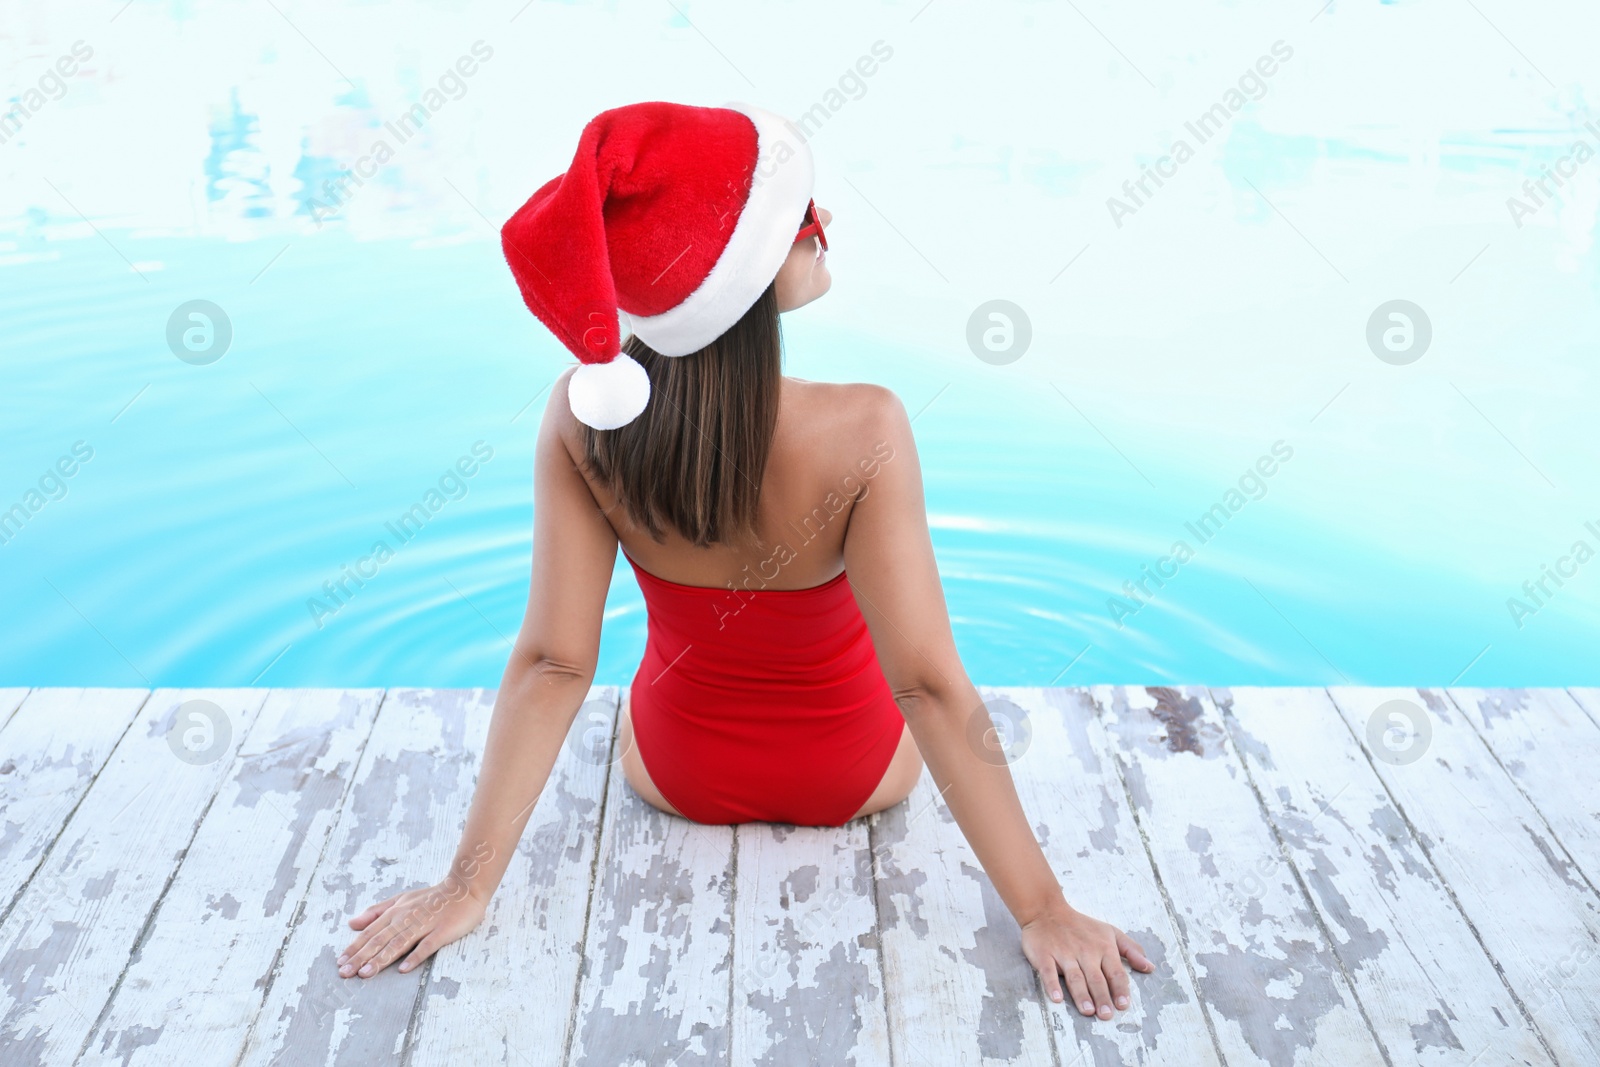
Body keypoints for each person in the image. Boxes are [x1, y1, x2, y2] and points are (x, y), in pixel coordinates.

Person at [334, 100, 1154, 1021]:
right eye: (803, 216)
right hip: (859, 777)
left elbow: (556, 662)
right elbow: (925, 685)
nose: (826, 224)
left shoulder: (585, 417)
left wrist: (465, 885)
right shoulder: (866, 428)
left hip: (674, 774)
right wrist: (1043, 911)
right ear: (742, 271)